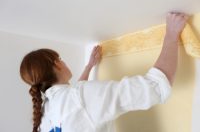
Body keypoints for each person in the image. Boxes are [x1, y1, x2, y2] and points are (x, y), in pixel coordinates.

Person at [19, 12, 188, 132]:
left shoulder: (45, 111)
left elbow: (78, 103)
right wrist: (171, 35)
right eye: (60, 58)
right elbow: (155, 87)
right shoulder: (79, 97)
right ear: (57, 65)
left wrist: (90, 66)